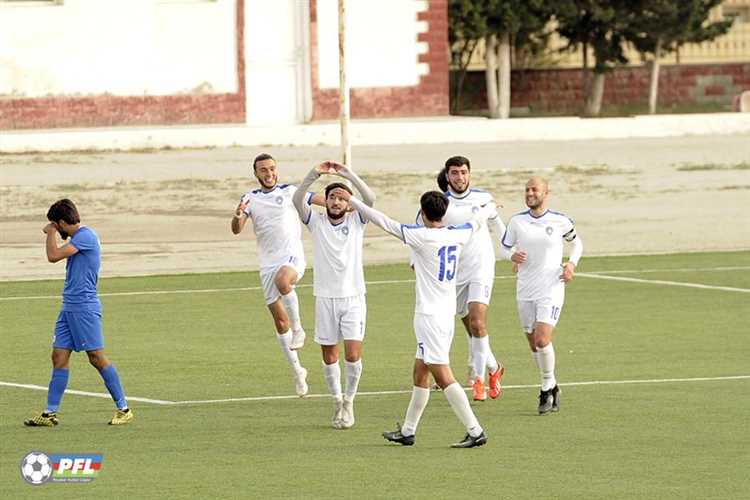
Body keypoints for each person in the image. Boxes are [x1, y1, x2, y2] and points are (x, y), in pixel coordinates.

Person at [335, 188, 490, 448]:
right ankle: (408, 431)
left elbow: (384, 221)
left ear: (423, 212)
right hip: (444, 314)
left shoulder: (421, 236)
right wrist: (488, 208)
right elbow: (476, 222)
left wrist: (351, 200)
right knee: (420, 372)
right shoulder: (458, 233)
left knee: (442, 375)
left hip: (430, 316)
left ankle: (475, 430)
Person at [24, 199, 132, 427]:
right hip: (69, 307)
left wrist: (49, 232)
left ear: (62, 222)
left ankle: (124, 408)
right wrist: (54, 230)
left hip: (84, 307)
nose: (56, 228)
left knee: (96, 357)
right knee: (59, 357)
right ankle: (50, 413)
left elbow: (53, 256)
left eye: (56, 224)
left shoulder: (86, 236)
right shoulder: (78, 238)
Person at [231, 153, 325, 397]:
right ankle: (297, 371)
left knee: (284, 281)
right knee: (279, 322)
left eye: (272, 168)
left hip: (292, 258)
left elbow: (320, 199)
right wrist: (238, 216)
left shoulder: (290, 191)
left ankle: (300, 329)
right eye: (263, 170)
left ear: (277, 170)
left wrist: (345, 203)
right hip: (267, 264)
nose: (269, 173)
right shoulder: (249, 198)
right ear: (256, 173)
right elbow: (236, 229)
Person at [292, 161, 376, 429]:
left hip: (353, 298)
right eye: (332, 197)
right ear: (325, 201)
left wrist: (347, 174)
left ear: (348, 203)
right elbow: (297, 197)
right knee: (329, 356)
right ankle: (337, 400)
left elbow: (370, 198)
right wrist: (314, 175)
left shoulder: (357, 220)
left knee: (352, 354)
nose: (337, 202)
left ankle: (350, 402)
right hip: (325, 298)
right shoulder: (315, 221)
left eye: (342, 198)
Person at [499, 177, 583, 414]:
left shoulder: (559, 221)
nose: (529, 193)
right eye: (526, 189)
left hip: (551, 287)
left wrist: (571, 265)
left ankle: (546, 388)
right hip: (525, 289)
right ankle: (553, 383)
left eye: (534, 189)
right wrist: (511, 256)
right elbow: (504, 248)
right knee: (532, 341)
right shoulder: (517, 221)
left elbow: (577, 244)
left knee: (542, 339)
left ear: (546, 192)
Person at [426, 156, 506, 402]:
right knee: (471, 328)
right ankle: (494, 367)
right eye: (454, 173)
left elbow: (499, 227)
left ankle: (477, 379)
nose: (460, 177)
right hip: (453, 273)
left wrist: (510, 252)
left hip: (481, 268)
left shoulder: (483, 199)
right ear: (447, 176)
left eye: (463, 172)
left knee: (478, 322)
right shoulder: (440, 203)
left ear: (469, 174)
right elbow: (424, 229)